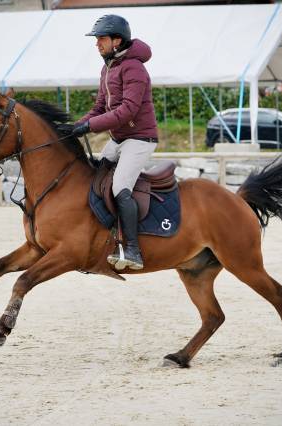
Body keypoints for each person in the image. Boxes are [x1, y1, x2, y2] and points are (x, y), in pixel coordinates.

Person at [72, 14, 158, 271]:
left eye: (101, 39)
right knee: (96, 176)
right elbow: (99, 107)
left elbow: (128, 110)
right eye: (96, 39)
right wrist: (76, 126)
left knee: (120, 187)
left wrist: (90, 127)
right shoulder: (108, 67)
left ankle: (133, 250)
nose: (97, 44)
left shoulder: (134, 68)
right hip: (119, 139)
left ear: (117, 41)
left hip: (140, 139)